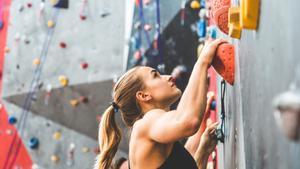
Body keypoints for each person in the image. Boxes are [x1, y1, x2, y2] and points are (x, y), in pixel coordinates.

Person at [94, 39, 226, 169]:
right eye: (155, 75)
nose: (167, 76)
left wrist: (203, 151)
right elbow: (188, 121)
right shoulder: (144, 124)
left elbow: (184, 116)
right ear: (144, 96)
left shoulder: (149, 132)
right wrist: (202, 62)